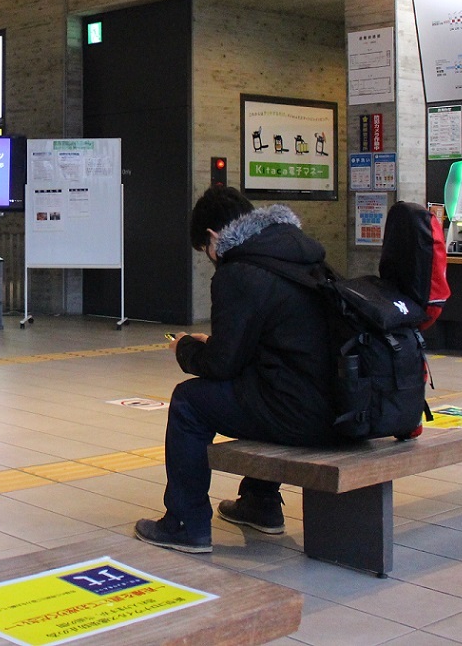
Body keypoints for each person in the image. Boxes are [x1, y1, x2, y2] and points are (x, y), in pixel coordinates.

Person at [135, 184, 339, 553]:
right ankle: (259, 503)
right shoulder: (303, 255)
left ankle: (185, 523)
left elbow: (221, 365)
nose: (211, 257)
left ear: (214, 237)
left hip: (301, 414)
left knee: (189, 402)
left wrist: (185, 348)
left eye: (206, 250)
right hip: (337, 404)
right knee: (262, 386)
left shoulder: (239, 271)